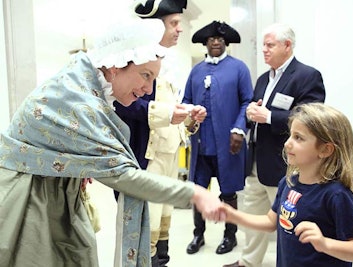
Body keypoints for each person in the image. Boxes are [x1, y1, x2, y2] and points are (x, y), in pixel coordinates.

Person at [0, 18, 223, 267]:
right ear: (116, 67)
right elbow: (123, 174)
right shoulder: (76, 100)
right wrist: (194, 193)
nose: (148, 88)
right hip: (29, 200)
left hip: (58, 195)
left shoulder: (84, 86)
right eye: (145, 76)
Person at [220, 102, 353, 267]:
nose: (287, 143)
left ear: (325, 150)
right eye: (290, 135)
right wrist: (232, 215)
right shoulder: (288, 183)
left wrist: (324, 243)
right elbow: (271, 222)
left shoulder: (336, 195)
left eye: (298, 137)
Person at [224, 23, 326, 267]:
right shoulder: (262, 79)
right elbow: (257, 110)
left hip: (285, 163)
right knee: (253, 217)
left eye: (270, 45)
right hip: (257, 161)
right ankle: (248, 262)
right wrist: (250, 112)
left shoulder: (307, 76)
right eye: (263, 46)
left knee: (288, 221)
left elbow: (310, 118)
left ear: (287, 46)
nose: (265, 51)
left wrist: (268, 116)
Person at [113, 1, 202, 266]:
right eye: (174, 23)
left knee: (163, 231)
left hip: (169, 155)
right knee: (142, 233)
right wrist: (166, 113)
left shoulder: (171, 59)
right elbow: (123, 102)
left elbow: (170, 108)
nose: (179, 30)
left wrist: (188, 119)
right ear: (155, 25)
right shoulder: (133, 57)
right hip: (145, 157)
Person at [183, 20, 254, 255]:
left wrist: (239, 129)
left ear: (226, 43)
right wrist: (189, 118)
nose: (216, 42)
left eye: (221, 39)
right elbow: (186, 102)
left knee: (229, 192)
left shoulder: (239, 68)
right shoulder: (196, 71)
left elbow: (247, 102)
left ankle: (230, 235)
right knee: (197, 192)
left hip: (228, 144)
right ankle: (198, 235)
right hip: (201, 146)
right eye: (212, 39)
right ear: (205, 43)